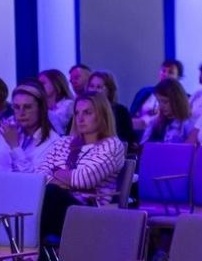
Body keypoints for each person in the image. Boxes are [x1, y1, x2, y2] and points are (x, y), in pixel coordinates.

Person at [36, 93, 127, 236]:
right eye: (77, 113)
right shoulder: (63, 142)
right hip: (60, 209)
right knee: (34, 197)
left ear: (102, 115)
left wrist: (55, 171)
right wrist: (65, 181)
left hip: (91, 212)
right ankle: (30, 251)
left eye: (87, 113)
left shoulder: (112, 144)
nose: (80, 118)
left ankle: (26, 253)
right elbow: (39, 177)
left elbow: (84, 179)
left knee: (50, 194)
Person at [0, 80, 60, 176]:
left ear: (41, 109)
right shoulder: (6, 128)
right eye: (16, 107)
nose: (21, 113)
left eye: (27, 107)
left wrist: (14, 147)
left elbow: (35, 182)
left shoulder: (54, 142)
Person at [85, 70, 137, 144]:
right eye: (92, 86)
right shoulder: (80, 111)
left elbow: (128, 140)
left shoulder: (120, 112)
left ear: (109, 91)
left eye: (99, 87)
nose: (94, 90)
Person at [144, 77, 197, 144]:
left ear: (177, 101)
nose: (161, 106)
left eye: (165, 102)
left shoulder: (188, 124)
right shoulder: (154, 122)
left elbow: (191, 149)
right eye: (159, 101)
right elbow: (144, 146)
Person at [131, 59, 184, 124]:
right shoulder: (144, 92)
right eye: (163, 71)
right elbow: (132, 114)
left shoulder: (184, 98)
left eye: (170, 72)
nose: (165, 74)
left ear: (178, 77)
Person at [37, 69, 74, 134]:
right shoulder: (38, 106)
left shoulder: (69, 105)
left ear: (56, 84)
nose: (39, 86)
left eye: (42, 83)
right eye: (38, 84)